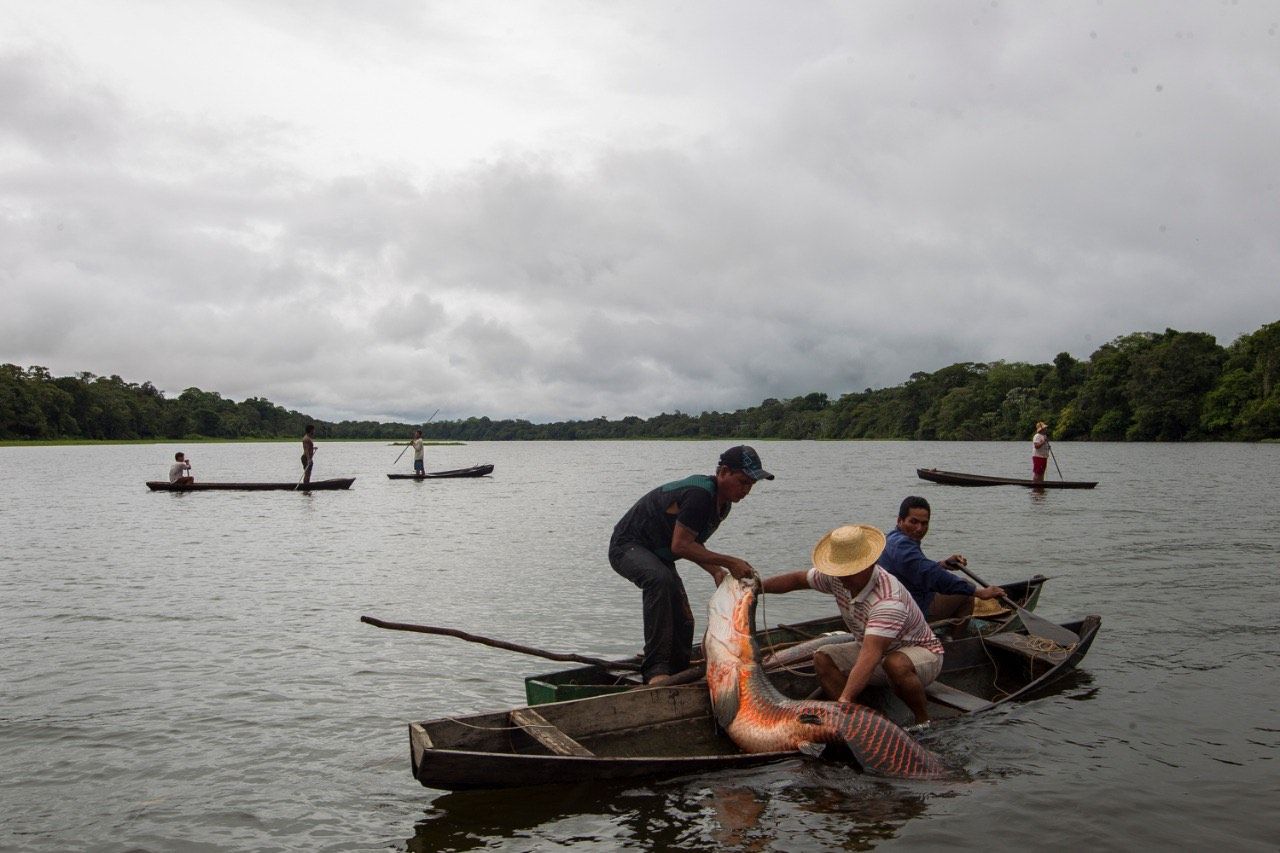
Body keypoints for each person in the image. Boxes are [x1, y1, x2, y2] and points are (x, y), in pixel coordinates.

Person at [609, 445, 774, 685]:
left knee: (684, 619)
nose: (746, 490)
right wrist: (729, 562)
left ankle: (677, 672)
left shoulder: (722, 504)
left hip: (658, 555)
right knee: (659, 582)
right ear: (724, 472)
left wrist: (716, 570)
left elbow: (692, 544)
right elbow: (680, 546)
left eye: (751, 485)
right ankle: (656, 671)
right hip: (627, 546)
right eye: (742, 481)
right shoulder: (700, 496)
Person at [761, 524, 943, 727]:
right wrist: (757, 587)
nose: (843, 577)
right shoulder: (837, 578)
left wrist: (844, 697)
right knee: (822, 657)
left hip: (920, 654)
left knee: (895, 664)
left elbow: (870, 655)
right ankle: (855, 722)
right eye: (840, 571)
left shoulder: (888, 600)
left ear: (869, 565)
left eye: (850, 571)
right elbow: (796, 580)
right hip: (874, 650)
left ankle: (923, 720)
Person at [878, 496, 1004, 638]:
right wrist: (979, 592)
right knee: (966, 592)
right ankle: (956, 644)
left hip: (900, 601)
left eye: (924, 523)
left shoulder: (892, 538)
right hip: (911, 609)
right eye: (913, 522)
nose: (919, 528)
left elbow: (916, 569)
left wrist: (942, 565)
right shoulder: (902, 546)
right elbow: (931, 574)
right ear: (900, 521)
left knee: (958, 587)